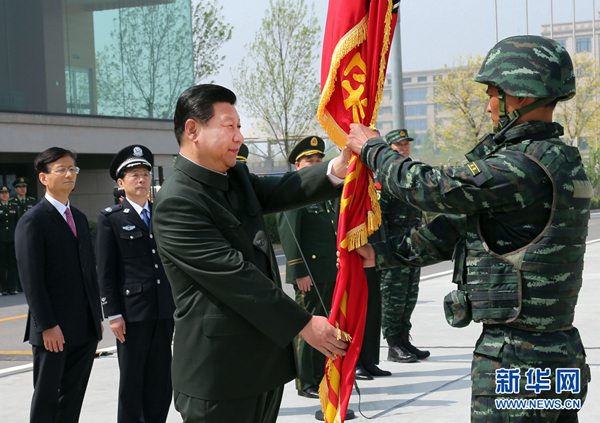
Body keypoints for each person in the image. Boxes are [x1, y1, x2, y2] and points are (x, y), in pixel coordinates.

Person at [346, 36, 590, 422]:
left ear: (522, 97)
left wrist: (373, 149)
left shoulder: (520, 166)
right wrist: (383, 254)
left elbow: (431, 189)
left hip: (517, 360)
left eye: (495, 93)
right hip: (557, 354)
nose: (490, 104)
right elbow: (459, 227)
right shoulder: (562, 160)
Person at [152, 84, 350, 423]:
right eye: (229, 126)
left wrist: (338, 168)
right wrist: (303, 323)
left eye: (239, 126)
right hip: (219, 372)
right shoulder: (177, 201)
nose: (239, 136)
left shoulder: (235, 176)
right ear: (192, 130)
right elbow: (235, 276)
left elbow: (287, 188)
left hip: (264, 364)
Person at [15, 147, 103, 423]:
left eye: (72, 169)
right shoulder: (33, 221)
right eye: (61, 169)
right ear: (43, 178)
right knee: (46, 398)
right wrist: (48, 325)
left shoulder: (77, 217)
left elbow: (89, 272)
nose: (69, 174)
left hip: (84, 327)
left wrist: (95, 317)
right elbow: (32, 281)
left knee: (73, 397)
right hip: (54, 330)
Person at [95, 145, 175, 423]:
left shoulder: (163, 213)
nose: (141, 180)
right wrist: (113, 314)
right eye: (134, 175)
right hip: (132, 313)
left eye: (145, 174)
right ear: (121, 183)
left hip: (164, 309)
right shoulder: (110, 218)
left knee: (161, 378)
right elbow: (105, 271)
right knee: (132, 379)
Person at [276, 136, 338, 399]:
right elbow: (289, 234)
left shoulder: (319, 192)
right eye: (308, 161)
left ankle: (320, 375)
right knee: (307, 326)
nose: (314, 164)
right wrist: (298, 271)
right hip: (309, 274)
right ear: (297, 165)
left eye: (318, 160)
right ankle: (305, 381)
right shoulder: (295, 191)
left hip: (327, 269)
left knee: (326, 324)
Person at [378, 129, 428, 362]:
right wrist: (385, 251)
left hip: (413, 245)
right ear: (389, 148)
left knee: (409, 295)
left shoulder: (410, 174)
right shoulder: (384, 178)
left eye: (406, 144)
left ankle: (404, 339)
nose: (403, 148)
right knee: (393, 297)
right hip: (394, 248)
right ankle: (393, 344)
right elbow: (380, 218)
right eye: (398, 145)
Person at [0, 185, 19, 295]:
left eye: (6, 193)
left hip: (12, 239)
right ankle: (3, 288)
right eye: (2, 193)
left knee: (12, 264)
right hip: (1, 240)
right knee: (2, 265)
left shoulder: (14, 206)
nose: (4, 195)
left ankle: (12, 287)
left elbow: (17, 222)